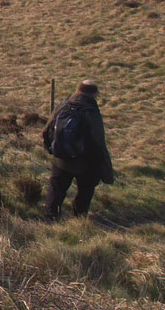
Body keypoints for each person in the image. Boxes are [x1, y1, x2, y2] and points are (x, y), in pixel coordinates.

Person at [42, 79, 113, 220]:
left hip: (60, 158)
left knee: (57, 188)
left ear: (78, 90)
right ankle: (77, 219)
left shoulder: (63, 106)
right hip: (85, 162)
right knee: (85, 191)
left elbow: (46, 130)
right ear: (94, 94)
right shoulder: (91, 111)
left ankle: (50, 218)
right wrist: (105, 166)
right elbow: (98, 140)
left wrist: (52, 150)